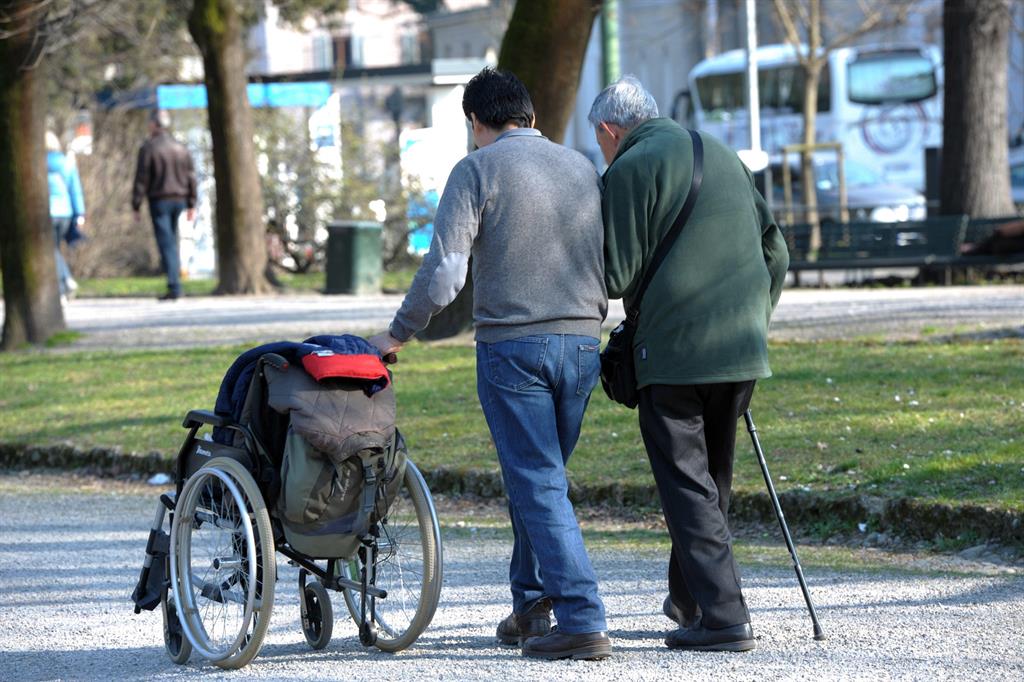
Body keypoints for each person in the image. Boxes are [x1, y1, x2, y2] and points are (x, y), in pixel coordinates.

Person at [368, 67, 612, 661]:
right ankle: (531, 605)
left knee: (537, 483)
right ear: (528, 113)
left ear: (476, 121)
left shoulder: (476, 169)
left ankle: (581, 617)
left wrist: (398, 331)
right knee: (540, 481)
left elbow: (449, 273)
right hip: (583, 344)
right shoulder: (582, 166)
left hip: (514, 348)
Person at [589, 76, 789, 652]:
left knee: (687, 485)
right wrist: (753, 316)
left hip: (674, 354)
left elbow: (616, 275)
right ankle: (690, 599)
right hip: (741, 349)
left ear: (610, 129)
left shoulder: (629, 168)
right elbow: (776, 251)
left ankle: (725, 618)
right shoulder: (721, 152)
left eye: (600, 142)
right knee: (711, 482)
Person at [132, 109, 196, 301]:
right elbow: (191, 176)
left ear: (154, 124)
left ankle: (174, 286)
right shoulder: (181, 147)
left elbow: (141, 179)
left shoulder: (149, 148)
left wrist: (136, 203)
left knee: (166, 243)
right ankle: (174, 282)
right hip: (179, 199)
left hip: (160, 200)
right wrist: (192, 202)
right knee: (172, 241)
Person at [46, 132, 86, 303]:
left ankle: (64, 281)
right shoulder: (67, 164)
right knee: (54, 248)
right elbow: (75, 191)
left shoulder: (37, 164)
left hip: (48, 212)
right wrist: (80, 213)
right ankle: (65, 280)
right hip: (66, 213)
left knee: (51, 249)